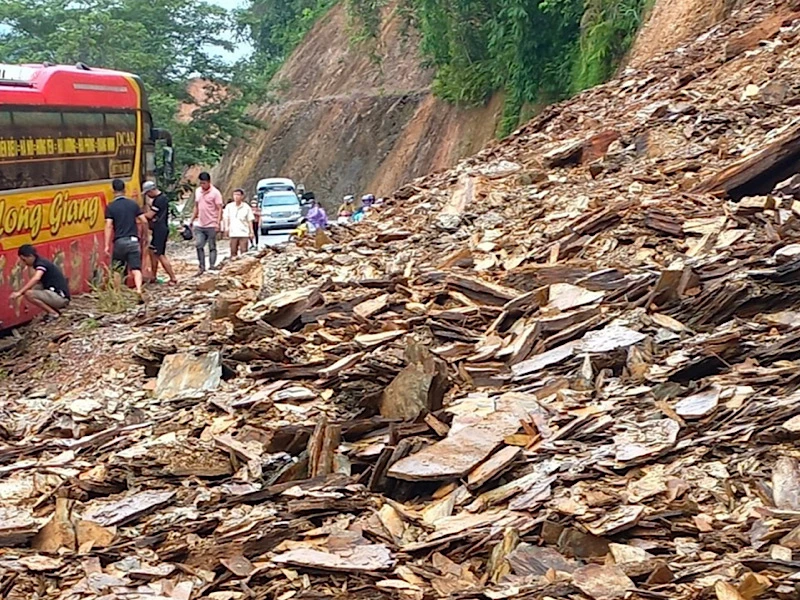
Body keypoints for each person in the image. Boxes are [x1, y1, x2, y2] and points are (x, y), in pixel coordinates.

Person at [105, 178, 148, 296]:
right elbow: (143, 220)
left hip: (119, 241)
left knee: (117, 269)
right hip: (133, 241)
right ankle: (139, 289)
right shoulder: (133, 204)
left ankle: (118, 293)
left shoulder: (111, 207)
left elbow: (108, 226)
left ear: (113, 190)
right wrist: (145, 235)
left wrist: (106, 245)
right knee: (136, 268)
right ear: (124, 189)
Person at [10, 245, 70, 318]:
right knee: (35, 288)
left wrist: (19, 292)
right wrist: (28, 265)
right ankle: (53, 311)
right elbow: (33, 280)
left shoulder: (41, 263)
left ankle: (53, 313)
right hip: (54, 295)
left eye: (24, 260)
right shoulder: (37, 263)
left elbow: (36, 278)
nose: (23, 262)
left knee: (29, 294)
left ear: (31, 256)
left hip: (60, 298)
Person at [143, 181, 178, 286]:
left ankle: (173, 277)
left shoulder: (159, 200)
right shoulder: (160, 199)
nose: (148, 195)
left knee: (160, 254)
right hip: (158, 229)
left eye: (148, 193)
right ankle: (153, 276)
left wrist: (139, 216)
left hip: (160, 230)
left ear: (152, 190)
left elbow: (150, 215)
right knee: (152, 251)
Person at [191, 171, 223, 275]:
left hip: (211, 224)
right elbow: (196, 206)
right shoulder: (198, 192)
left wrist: (218, 223)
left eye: (204, 183)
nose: (202, 185)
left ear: (209, 182)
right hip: (200, 224)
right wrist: (192, 219)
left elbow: (219, 209)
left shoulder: (215, 193)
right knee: (199, 245)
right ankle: (201, 267)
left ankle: (212, 265)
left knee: (212, 246)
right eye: (201, 183)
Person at [222, 188, 255, 258]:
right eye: (234, 195)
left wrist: (251, 232)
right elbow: (226, 218)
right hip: (233, 233)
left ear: (242, 196)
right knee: (233, 252)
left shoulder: (246, 207)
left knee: (244, 252)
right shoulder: (229, 207)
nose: (236, 197)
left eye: (238, 195)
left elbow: (250, 220)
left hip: (244, 233)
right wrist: (226, 228)